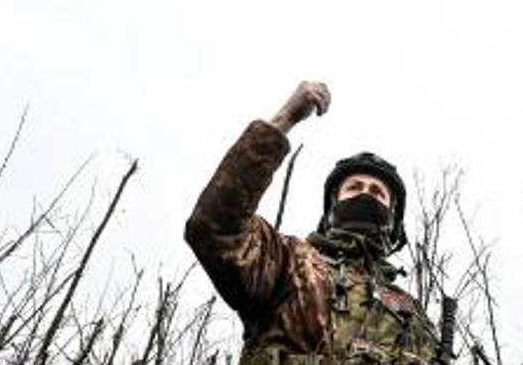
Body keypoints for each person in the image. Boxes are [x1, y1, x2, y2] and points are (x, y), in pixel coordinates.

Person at [185, 81, 438, 365]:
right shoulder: (289, 261)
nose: (366, 194)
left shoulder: (411, 313)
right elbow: (215, 227)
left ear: (392, 221)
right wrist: (284, 119)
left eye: (378, 193)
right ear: (331, 211)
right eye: (354, 188)